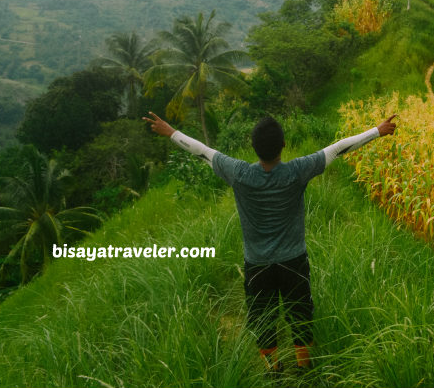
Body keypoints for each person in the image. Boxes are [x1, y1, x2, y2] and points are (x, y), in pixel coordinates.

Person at [144, 110, 397, 373]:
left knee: (262, 318)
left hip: (257, 265)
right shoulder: (297, 171)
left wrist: (171, 132)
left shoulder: (239, 174)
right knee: (300, 313)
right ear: (283, 145)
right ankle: (304, 368)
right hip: (294, 262)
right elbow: (337, 149)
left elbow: (202, 151)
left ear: (253, 148)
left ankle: (273, 371)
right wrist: (377, 131)